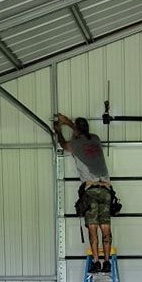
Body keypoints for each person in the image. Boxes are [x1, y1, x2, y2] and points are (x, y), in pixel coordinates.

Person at [53, 114, 113, 273]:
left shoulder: (73, 145)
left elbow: (62, 143)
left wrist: (59, 129)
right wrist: (69, 123)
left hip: (91, 190)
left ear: (76, 132)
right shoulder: (96, 138)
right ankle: (107, 263)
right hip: (107, 190)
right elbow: (81, 133)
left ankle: (96, 262)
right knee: (105, 228)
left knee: (93, 227)